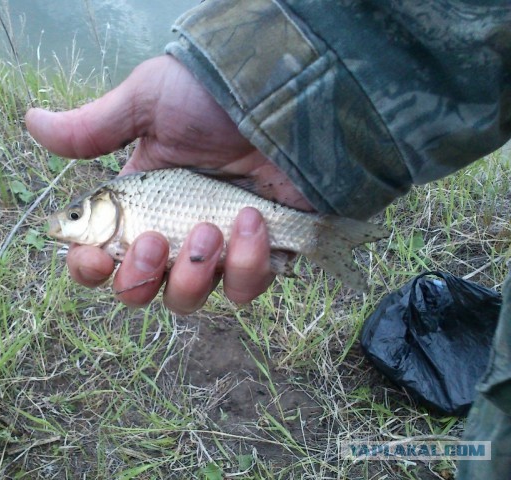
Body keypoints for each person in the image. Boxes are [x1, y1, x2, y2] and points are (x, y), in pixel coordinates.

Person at [26, 2, 511, 478]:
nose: (69, 225)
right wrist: (241, 95)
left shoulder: (131, 195)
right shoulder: (129, 200)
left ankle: (316, 236)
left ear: (106, 207)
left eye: (75, 216)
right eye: (72, 218)